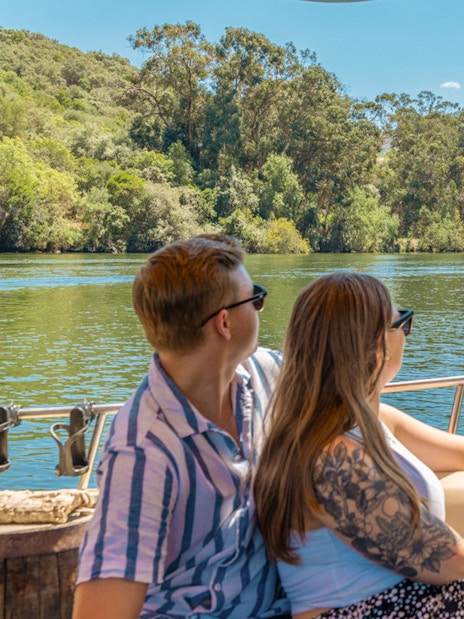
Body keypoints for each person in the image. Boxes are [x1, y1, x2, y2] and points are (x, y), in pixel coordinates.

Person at [73, 235, 290, 619]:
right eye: (255, 298)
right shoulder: (143, 456)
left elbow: (343, 390)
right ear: (224, 323)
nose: (260, 307)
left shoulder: (261, 374)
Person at [254, 271, 464, 619]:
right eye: (404, 324)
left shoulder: (375, 421)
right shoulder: (329, 458)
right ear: (376, 345)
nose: (407, 335)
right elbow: (448, 561)